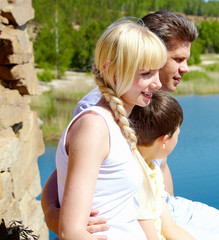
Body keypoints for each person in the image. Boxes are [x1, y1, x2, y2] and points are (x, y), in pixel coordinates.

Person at [41, 11, 219, 240]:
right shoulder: (96, 119)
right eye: (177, 59)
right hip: (148, 217)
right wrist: (51, 213)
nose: (185, 68)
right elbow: (66, 177)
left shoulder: (145, 100)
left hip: (164, 208)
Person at [54, 19, 167, 240]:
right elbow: (72, 231)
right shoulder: (94, 127)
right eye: (146, 74)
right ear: (111, 70)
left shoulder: (115, 123)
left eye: (157, 72)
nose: (158, 83)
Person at [131, 91, 193, 240]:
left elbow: (169, 227)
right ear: (164, 140)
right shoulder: (136, 176)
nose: (178, 137)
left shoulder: (152, 167)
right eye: (177, 133)